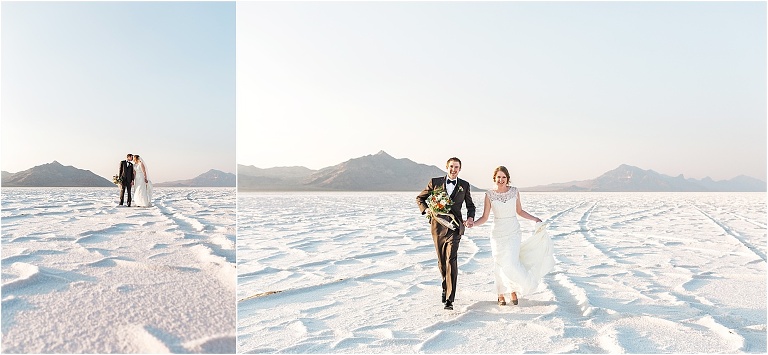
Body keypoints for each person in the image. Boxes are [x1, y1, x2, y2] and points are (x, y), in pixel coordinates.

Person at [473, 166, 554, 306]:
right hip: (497, 233)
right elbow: (485, 217)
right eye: (498, 177)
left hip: (513, 231)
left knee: (511, 262)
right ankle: (500, 294)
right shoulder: (489, 195)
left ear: (507, 178)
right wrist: (473, 224)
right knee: (500, 263)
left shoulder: (514, 191)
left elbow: (520, 211)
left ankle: (513, 289)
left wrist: (535, 218)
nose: (501, 180)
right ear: (494, 178)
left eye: (503, 177)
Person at [416, 157, 476, 310]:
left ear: (460, 169)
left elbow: (470, 206)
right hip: (437, 228)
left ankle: (450, 298)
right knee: (442, 262)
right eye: (451, 167)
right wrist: (427, 210)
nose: (453, 169)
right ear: (446, 167)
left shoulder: (464, 185)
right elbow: (420, 198)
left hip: (455, 228)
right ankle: (445, 286)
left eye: (456, 167)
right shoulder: (435, 182)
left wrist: (470, 218)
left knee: (451, 260)